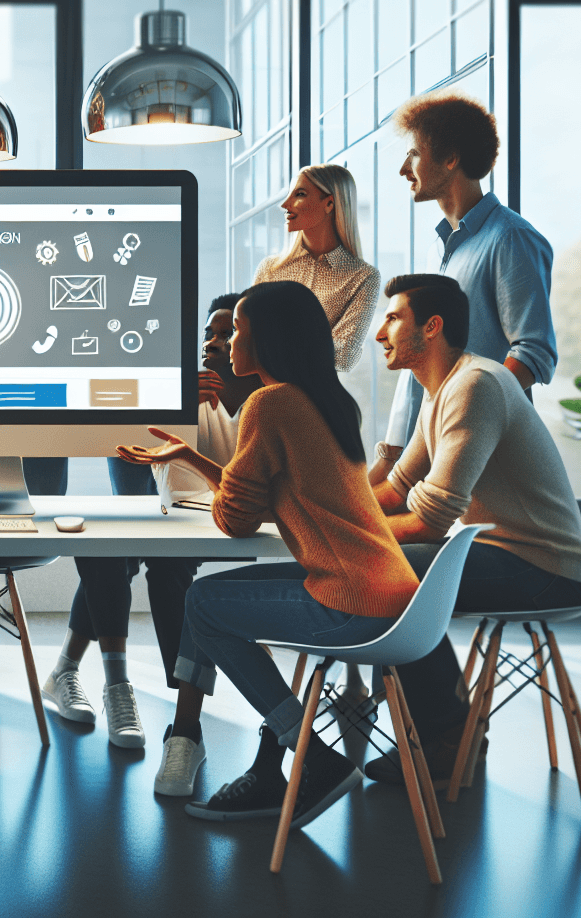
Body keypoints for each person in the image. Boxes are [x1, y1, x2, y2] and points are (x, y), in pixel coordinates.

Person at [117, 281, 417, 829]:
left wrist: (199, 470)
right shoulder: (327, 401)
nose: (228, 341)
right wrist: (192, 455)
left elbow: (235, 519)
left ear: (269, 342)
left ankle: (304, 754)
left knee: (203, 601)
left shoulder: (269, 403)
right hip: (392, 590)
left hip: (352, 601)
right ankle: (242, 747)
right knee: (203, 598)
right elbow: (250, 494)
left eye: (238, 331)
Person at [362, 273, 581, 786]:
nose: (381, 333)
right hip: (508, 554)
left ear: (432, 327)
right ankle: (439, 733)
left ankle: (447, 739)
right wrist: (330, 511)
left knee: (388, 572)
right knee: (385, 567)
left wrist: (352, 536)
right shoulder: (441, 390)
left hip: (542, 567)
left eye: (394, 318)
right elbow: (397, 491)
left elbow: (428, 519)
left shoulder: (475, 385)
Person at [44, 292, 261, 753]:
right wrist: (174, 402)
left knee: (162, 566)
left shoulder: (268, 404)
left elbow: (251, 491)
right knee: (109, 551)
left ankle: (69, 667)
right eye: (209, 333)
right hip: (171, 515)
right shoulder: (186, 391)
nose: (213, 344)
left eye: (227, 335)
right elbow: (119, 436)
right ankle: (116, 686)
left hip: (230, 518)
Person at [377, 90, 557, 483]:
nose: (404, 169)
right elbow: (421, 366)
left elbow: (534, 352)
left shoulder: (511, 239)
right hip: (423, 456)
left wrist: (467, 421)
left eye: (413, 154)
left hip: (476, 466)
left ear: (450, 159)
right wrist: (394, 451)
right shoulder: (437, 250)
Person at [255, 164, 381, 372]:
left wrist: (274, 338)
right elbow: (246, 339)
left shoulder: (363, 277)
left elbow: (344, 355)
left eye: (300, 194)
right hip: (259, 393)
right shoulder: (269, 269)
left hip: (314, 402)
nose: (285, 205)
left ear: (329, 203)